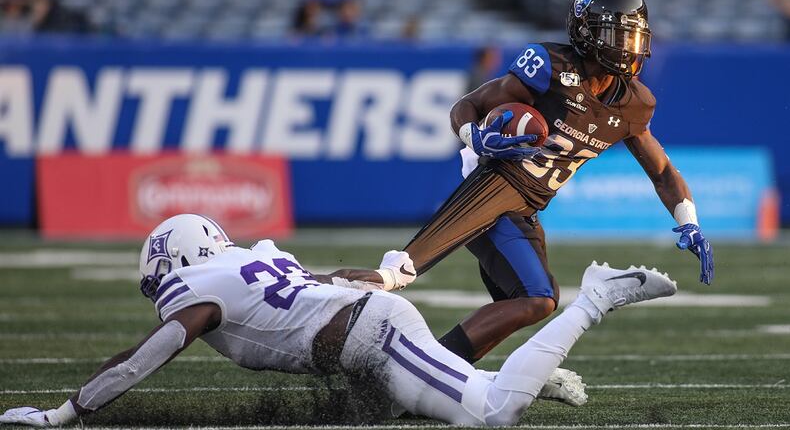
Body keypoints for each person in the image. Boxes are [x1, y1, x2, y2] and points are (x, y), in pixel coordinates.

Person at [0, 213, 678, 427]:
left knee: (494, 416)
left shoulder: (198, 288)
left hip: (374, 337)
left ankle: (595, 296)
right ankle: (527, 373)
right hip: (368, 331)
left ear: (177, 257)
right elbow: (324, 281)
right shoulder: (247, 261)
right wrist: (378, 274)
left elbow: (146, 354)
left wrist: (65, 413)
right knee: (436, 408)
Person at [402, 0, 714, 364]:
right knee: (536, 297)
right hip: (493, 190)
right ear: (587, 33)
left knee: (527, 300)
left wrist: (689, 221)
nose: (628, 47)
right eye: (617, 35)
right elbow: (472, 103)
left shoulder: (635, 102)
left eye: (633, 36)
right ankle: (422, 366)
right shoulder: (551, 66)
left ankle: (435, 371)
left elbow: (662, 172)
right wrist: (476, 136)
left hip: (527, 207)